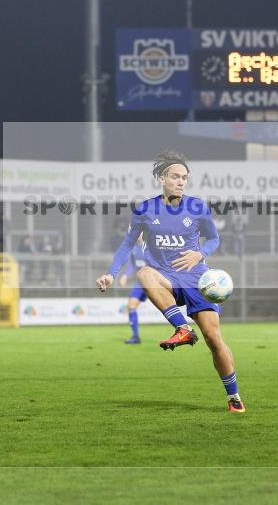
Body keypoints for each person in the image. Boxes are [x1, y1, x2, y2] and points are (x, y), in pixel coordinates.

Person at [95, 150, 245, 413]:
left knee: (213, 339)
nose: (181, 182)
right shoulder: (145, 209)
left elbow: (214, 239)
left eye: (185, 178)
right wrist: (111, 273)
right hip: (166, 277)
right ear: (162, 178)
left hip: (198, 279)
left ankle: (233, 397)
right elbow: (128, 244)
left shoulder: (197, 206)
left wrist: (201, 252)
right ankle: (182, 328)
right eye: (176, 177)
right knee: (144, 274)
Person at [118, 234, 149, 344]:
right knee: (131, 306)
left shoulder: (150, 246)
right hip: (140, 282)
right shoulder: (134, 248)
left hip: (153, 281)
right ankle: (135, 337)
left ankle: (182, 329)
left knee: (167, 306)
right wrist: (126, 275)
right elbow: (132, 264)